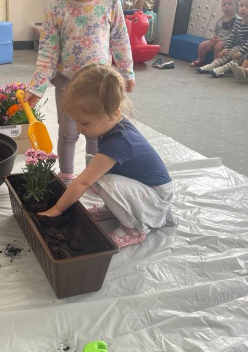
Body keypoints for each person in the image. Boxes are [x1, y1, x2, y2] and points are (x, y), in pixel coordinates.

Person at [37, 64, 176, 249]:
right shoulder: (111, 126)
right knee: (96, 169)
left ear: (115, 113)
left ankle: (134, 229)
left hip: (155, 198)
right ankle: (114, 209)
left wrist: (57, 209)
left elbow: (83, 182)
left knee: (102, 179)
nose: (78, 128)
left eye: (84, 122)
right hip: (142, 190)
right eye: (76, 121)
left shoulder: (120, 142)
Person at [23, 0, 135, 185]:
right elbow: (48, 51)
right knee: (68, 132)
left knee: (96, 133)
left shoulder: (111, 3)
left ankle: (94, 176)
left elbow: (120, 39)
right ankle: (66, 175)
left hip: (99, 85)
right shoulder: (56, 5)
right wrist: (37, 86)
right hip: (67, 84)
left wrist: (126, 72)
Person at [196, 0, 248, 77]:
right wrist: (226, 48)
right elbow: (232, 35)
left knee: (237, 59)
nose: (243, 8)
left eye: (247, 6)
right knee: (227, 54)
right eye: (241, 6)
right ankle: (212, 65)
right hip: (239, 45)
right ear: (238, 6)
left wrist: (240, 52)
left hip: (246, 49)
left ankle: (222, 69)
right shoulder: (238, 20)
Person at [190, 0, 237, 67]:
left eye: (230, 4)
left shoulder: (237, 20)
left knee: (219, 46)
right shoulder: (221, 19)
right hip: (217, 40)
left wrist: (221, 39)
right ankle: (200, 60)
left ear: (236, 6)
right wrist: (212, 36)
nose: (226, 6)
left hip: (228, 42)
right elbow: (215, 31)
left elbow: (234, 35)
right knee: (203, 45)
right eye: (224, 4)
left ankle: (215, 64)